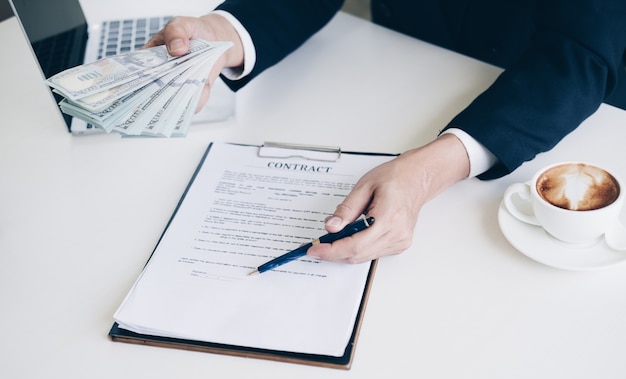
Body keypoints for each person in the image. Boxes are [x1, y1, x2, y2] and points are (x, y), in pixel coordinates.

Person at [145, 0, 626, 264]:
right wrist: (229, 29)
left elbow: (575, 56)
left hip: (555, 112)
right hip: (399, 59)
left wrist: (429, 169)